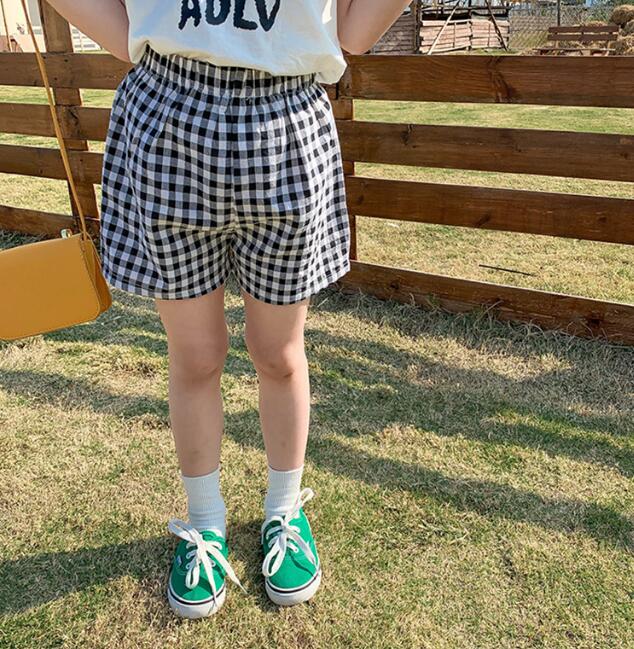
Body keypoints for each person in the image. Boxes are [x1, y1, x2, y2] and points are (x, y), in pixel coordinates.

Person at [47, 0, 414, 618]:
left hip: (286, 117)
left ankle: (284, 511)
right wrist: (135, 37)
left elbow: (354, 31)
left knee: (279, 353)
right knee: (195, 356)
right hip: (168, 115)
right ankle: (205, 520)